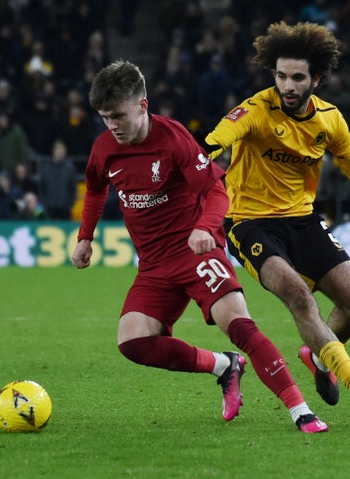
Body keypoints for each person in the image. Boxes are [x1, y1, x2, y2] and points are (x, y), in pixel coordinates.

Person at [71, 60, 328, 433]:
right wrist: (85, 238)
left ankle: (300, 410)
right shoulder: (104, 148)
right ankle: (225, 365)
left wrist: (206, 228)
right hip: (154, 266)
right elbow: (95, 189)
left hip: (196, 252)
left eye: (118, 116)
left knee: (240, 326)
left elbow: (214, 190)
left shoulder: (174, 139)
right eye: (105, 118)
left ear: (142, 106)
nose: (112, 126)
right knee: (134, 342)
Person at [203, 22, 350, 417]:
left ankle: (319, 358)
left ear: (317, 78)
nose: (287, 85)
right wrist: (195, 159)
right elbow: (215, 140)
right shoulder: (256, 110)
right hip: (250, 223)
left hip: (303, 220)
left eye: (297, 77)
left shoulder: (329, 120)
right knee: (298, 295)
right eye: (280, 76)